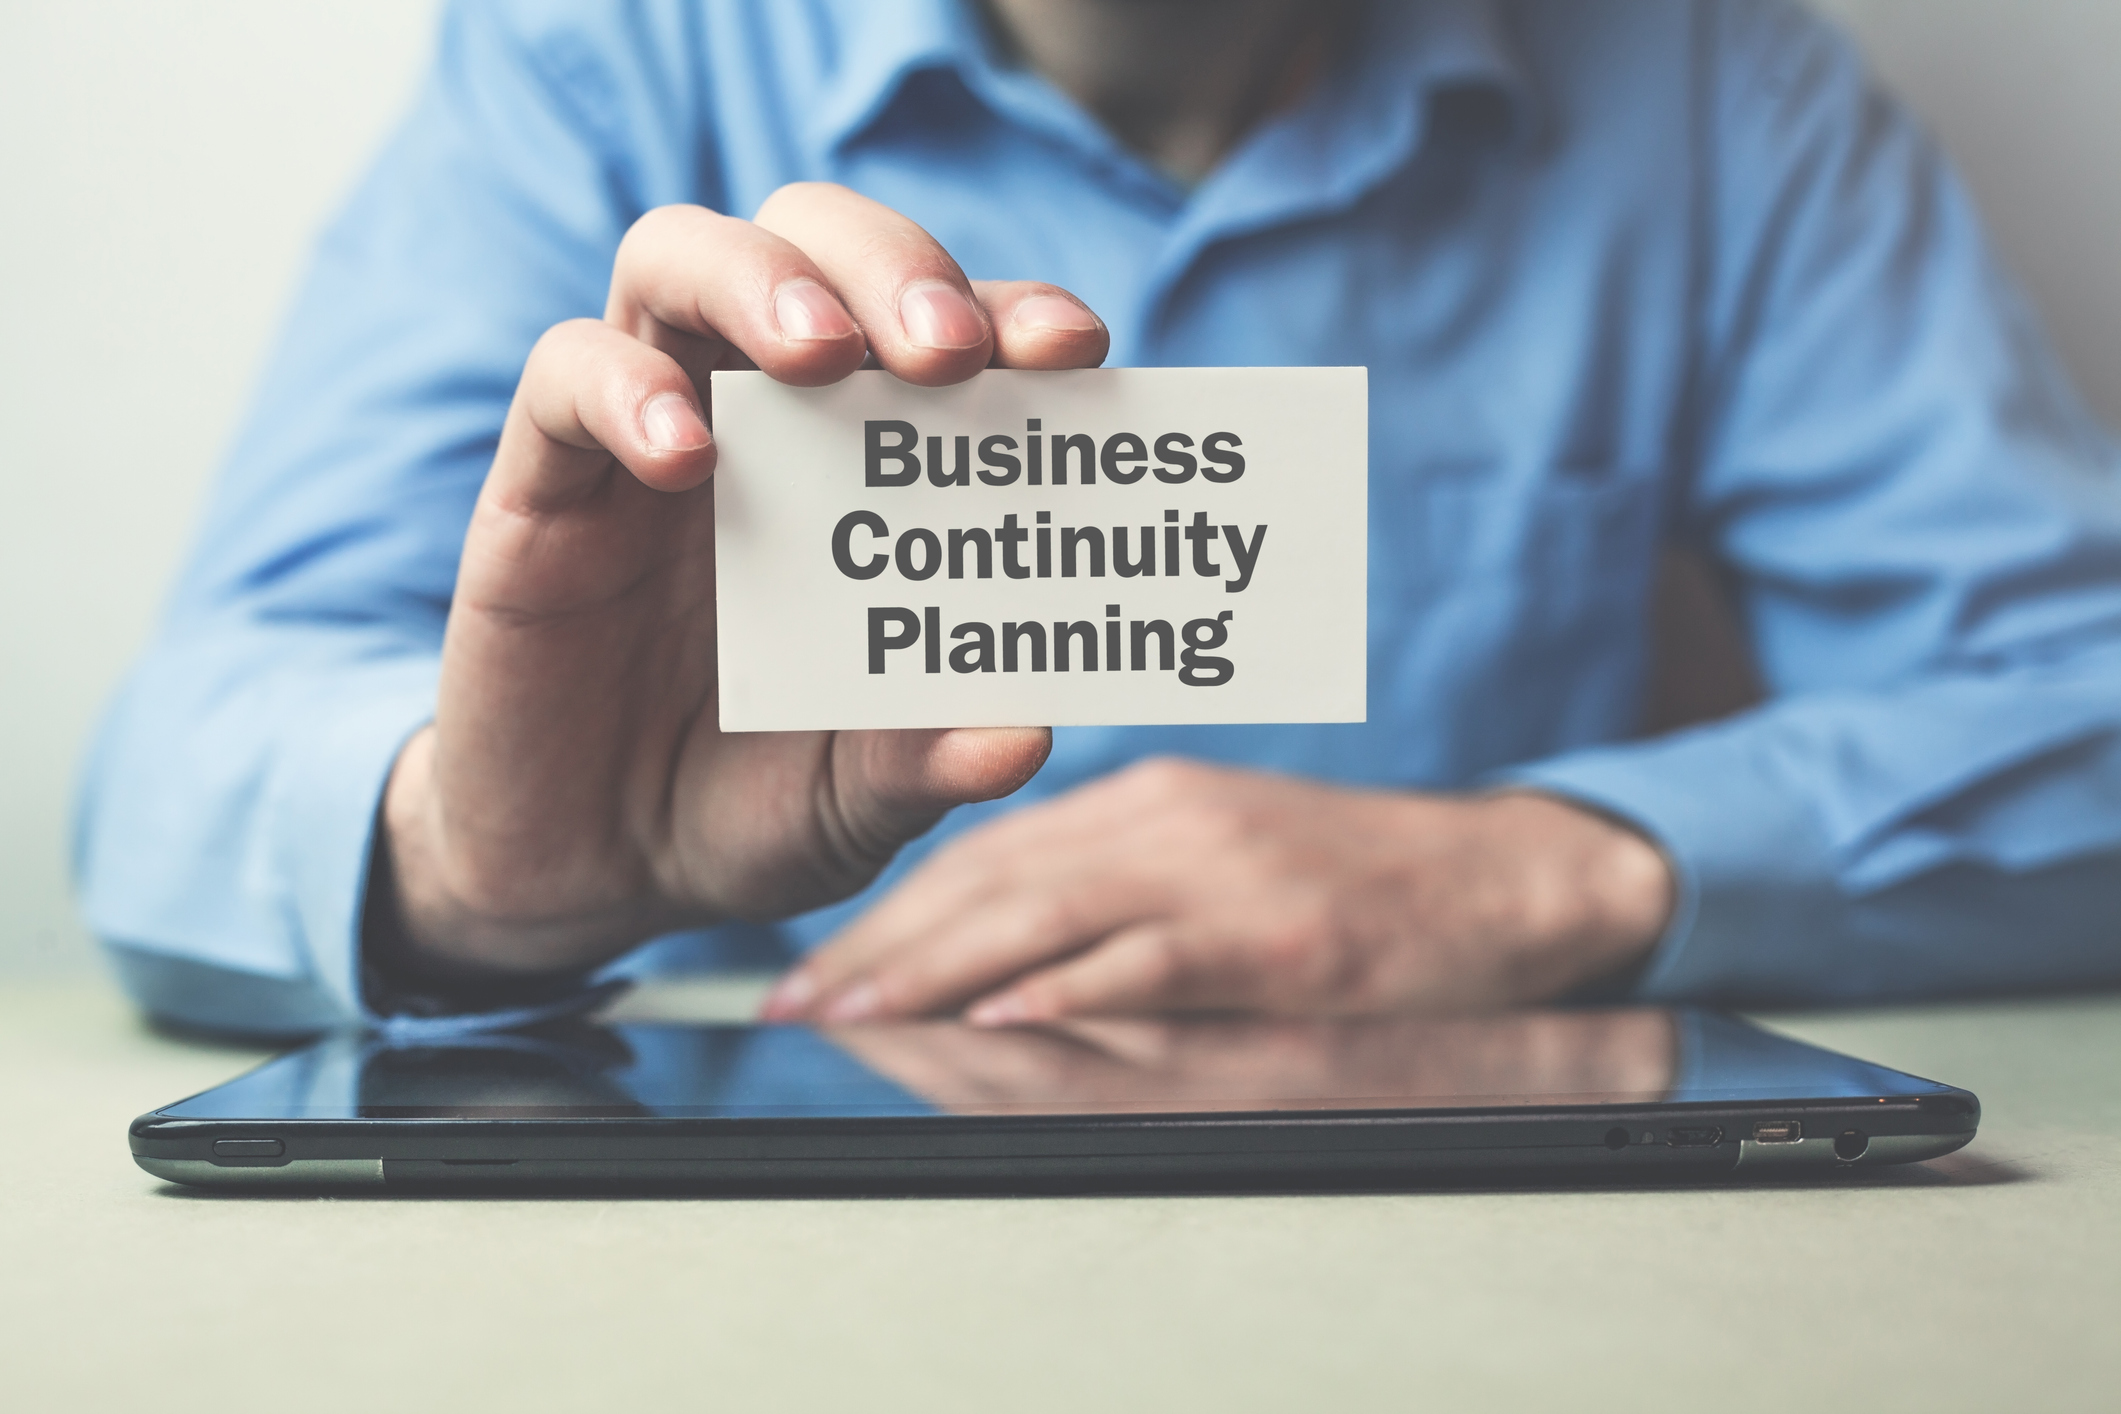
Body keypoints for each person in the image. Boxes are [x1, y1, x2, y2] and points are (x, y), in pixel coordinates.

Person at [76, 0, 2121, 1039]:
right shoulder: (606, 56)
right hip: (762, 1248)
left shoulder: (1706, 86)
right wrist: (466, 856)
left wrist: (1544, 867)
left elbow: (2079, 706)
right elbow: (185, 752)